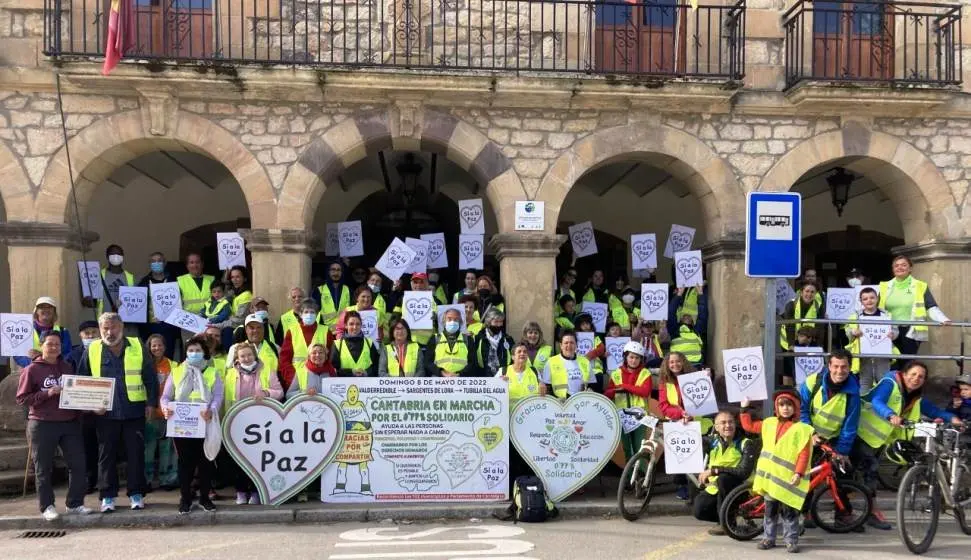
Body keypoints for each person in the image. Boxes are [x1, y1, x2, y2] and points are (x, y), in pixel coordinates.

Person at [854, 361, 962, 529]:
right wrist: (890, 415)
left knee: (865, 473)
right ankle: (867, 513)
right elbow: (877, 401)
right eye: (912, 374)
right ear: (904, 374)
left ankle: (860, 515)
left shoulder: (915, 396)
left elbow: (932, 410)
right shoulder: (890, 383)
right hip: (860, 432)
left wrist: (951, 418)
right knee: (867, 473)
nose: (916, 379)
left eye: (921, 377)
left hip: (877, 439)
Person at [77, 313, 157, 513]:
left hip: (134, 410)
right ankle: (107, 496)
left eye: (113, 328)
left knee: (136, 453)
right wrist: (91, 405)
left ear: (121, 327)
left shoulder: (137, 345)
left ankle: (136, 494)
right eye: (105, 328)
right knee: (106, 455)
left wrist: (151, 404)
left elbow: (150, 377)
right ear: (100, 328)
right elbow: (82, 379)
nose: (109, 332)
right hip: (105, 413)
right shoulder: (93, 349)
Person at [16, 331, 92, 521]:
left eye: (57, 344)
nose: (54, 348)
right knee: (43, 467)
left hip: (69, 423)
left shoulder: (67, 367)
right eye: (50, 344)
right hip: (42, 423)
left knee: (78, 464)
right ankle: (47, 506)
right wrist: (47, 393)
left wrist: (92, 408)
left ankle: (74, 503)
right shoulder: (31, 370)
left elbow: (75, 396)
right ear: (42, 346)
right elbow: (22, 398)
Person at [740, 390, 813, 553]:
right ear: (776, 407)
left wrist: (798, 473)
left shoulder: (802, 429)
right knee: (770, 512)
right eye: (781, 405)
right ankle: (768, 538)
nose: (785, 408)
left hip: (788, 480)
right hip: (771, 479)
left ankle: (791, 540)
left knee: (789, 513)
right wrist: (744, 410)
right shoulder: (769, 423)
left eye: (789, 405)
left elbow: (804, 454)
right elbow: (749, 426)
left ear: (796, 408)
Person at [159, 335, 222, 514]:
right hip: (182, 425)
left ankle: (204, 498)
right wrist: (165, 409)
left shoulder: (212, 372)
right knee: (185, 464)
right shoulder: (177, 371)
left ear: (205, 353)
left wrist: (212, 409)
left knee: (206, 463)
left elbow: (218, 395)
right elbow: (166, 396)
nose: (194, 353)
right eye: (191, 350)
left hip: (205, 423)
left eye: (198, 351)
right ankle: (185, 498)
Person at [222, 342, 284, 504]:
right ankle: (241, 491)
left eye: (249, 355)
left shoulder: (266, 371)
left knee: (259, 459)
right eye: (242, 356)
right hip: (237, 421)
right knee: (239, 459)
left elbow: (279, 392)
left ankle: (256, 492)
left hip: (262, 423)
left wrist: (266, 392)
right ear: (237, 358)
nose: (246, 358)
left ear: (254, 355)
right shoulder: (229, 374)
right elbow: (225, 398)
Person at [692, 411, 759, 536]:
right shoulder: (712, 442)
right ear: (716, 427)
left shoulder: (746, 443)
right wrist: (684, 423)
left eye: (730, 422)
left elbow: (743, 472)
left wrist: (714, 470)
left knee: (724, 479)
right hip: (717, 488)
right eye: (723, 423)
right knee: (698, 510)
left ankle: (727, 523)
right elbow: (690, 439)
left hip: (742, 489)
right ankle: (730, 519)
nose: (727, 425)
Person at [658, 351, 711, 500]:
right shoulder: (664, 382)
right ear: (667, 365)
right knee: (679, 455)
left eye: (678, 361)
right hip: (676, 423)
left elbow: (703, 400)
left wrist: (707, 379)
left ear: (684, 362)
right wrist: (680, 414)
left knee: (695, 456)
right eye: (671, 362)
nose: (675, 364)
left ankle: (695, 485)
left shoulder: (694, 377)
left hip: (695, 422)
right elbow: (664, 406)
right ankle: (681, 486)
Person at [879, 255, 950, 357]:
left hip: (911, 329)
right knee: (892, 362)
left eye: (904, 265)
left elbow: (930, 306)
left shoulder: (920, 285)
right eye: (896, 266)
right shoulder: (884, 286)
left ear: (910, 268)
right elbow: (874, 307)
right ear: (893, 269)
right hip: (888, 329)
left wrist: (943, 319)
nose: (899, 267)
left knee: (908, 361)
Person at [798, 350, 860, 462]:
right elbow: (801, 410)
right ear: (829, 366)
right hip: (807, 435)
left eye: (844, 367)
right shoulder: (812, 382)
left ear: (850, 367)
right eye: (836, 366)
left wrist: (841, 452)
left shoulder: (853, 394)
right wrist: (810, 433)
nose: (839, 371)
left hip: (831, 442)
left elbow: (849, 426)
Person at [603, 341, 652, 460]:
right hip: (622, 415)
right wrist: (615, 390)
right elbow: (607, 394)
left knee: (639, 447)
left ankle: (641, 475)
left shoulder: (646, 373)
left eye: (637, 358)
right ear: (625, 357)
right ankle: (630, 477)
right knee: (627, 449)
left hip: (640, 416)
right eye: (631, 357)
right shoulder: (616, 373)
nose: (634, 360)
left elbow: (645, 391)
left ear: (641, 359)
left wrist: (624, 386)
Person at [67, 320, 101, 492]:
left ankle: (105, 480)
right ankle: (89, 479)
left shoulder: (107, 350)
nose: (90, 336)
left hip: (104, 408)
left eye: (94, 332)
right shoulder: (73, 354)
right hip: (83, 410)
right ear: (80, 335)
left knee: (105, 445)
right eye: (86, 333)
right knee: (86, 445)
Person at [845, 287, 898, 392]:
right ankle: (864, 404)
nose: (869, 301)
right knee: (865, 380)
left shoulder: (886, 315)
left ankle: (882, 402)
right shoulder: (855, 316)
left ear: (877, 299)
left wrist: (893, 334)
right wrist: (853, 332)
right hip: (863, 354)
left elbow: (895, 330)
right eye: (865, 299)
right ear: (861, 302)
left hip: (883, 353)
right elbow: (848, 330)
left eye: (872, 298)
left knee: (883, 379)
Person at [144, 335, 179, 492]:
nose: (156, 348)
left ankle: (168, 479)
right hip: (149, 414)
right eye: (153, 346)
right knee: (147, 449)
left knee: (168, 449)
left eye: (159, 345)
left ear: (165, 347)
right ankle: (147, 480)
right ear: (149, 347)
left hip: (168, 414)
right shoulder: (143, 365)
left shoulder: (174, 365)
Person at [280, 299, 333, 389]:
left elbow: (330, 359)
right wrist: (292, 379)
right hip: (295, 383)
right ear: (300, 314)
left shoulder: (325, 331)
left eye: (312, 312)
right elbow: (284, 359)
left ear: (317, 315)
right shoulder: (292, 331)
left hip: (319, 380)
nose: (309, 314)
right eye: (306, 312)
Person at [137, 252, 180, 358]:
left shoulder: (174, 281)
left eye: (159, 261)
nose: (156, 263)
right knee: (150, 359)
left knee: (168, 358)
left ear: (164, 263)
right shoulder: (143, 283)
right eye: (153, 261)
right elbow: (138, 306)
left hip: (169, 328)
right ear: (149, 264)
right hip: (150, 328)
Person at [14, 297, 72, 369]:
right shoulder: (24, 329)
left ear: (54, 311)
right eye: (42, 307)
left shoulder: (63, 331)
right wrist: (35, 363)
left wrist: (43, 358)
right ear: (36, 311)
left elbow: (67, 355)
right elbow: (18, 355)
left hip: (55, 371)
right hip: (31, 370)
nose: (46, 309)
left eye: (50, 307)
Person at [227, 315, 280, 386]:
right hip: (245, 395)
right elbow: (229, 374)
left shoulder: (275, 348)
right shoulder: (235, 348)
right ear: (246, 330)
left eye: (259, 327)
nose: (255, 331)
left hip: (270, 394)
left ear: (263, 329)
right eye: (251, 328)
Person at [540, 330, 597, 398]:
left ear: (576, 345)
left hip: (581, 401)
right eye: (566, 343)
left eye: (572, 343)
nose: (569, 345)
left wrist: (590, 390)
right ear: (561, 345)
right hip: (560, 402)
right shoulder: (551, 362)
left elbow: (592, 384)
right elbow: (547, 387)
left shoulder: (585, 362)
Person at [85, 244, 136, 318]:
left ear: (123, 257)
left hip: (126, 325)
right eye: (113, 254)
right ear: (107, 256)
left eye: (119, 254)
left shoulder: (131, 278)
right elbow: (91, 303)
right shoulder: (98, 276)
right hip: (105, 323)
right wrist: (88, 301)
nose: (116, 256)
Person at [667, 286, 709, 367]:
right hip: (679, 366)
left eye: (689, 317)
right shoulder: (674, 331)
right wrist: (679, 294)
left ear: (693, 323)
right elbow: (671, 313)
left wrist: (700, 294)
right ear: (679, 320)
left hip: (696, 365)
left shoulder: (696, 331)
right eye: (684, 316)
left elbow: (703, 314)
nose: (687, 316)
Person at [213, 265, 252, 349]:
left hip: (237, 331)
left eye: (238, 277)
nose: (234, 280)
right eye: (232, 277)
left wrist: (219, 325)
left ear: (245, 278)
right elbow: (224, 295)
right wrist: (226, 280)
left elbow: (239, 320)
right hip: (230, 327)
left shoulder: (246, 295)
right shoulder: (235, 292)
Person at [392, 273, 438, 346]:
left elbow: (442, 320)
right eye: (415, 282)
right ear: (411, 284)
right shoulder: (403, 298)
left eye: (421, 282)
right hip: (407, 340)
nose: (418, 285)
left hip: (428, 342)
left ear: (427, 284)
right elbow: (394, 317)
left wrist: (435, 317)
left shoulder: (435, 300)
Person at [425, 308, 473, 377]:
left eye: (456, 319)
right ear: (444, 321)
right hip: (439, 381)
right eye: (449, 319)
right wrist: (442, 373)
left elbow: (472, 363)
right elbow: (428, 362)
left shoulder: (468, 339)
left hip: (461, 382)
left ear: (460, 322)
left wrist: (459, 374)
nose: (452, 322)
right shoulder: (434, 339)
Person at [780, 280, 825, 353]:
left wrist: (819, 345)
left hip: (808, 342)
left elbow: (820, 328)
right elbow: (790, 326)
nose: (809, 294)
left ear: (815, 293)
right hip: (790, 341)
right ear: (801, 292)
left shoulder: (818, 306)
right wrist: (791, 345)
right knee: (790, 363)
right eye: (807, 291)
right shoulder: (791, 305)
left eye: (812, 292)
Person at [331, 311, 379, 377]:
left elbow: (377, 366)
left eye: (358, 324)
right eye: (351, 324)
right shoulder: (337, 344)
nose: (355, 327)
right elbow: (333, 370)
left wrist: (366, 372)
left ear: (361, 325)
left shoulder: (369, 343)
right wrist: (351, 372)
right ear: (345, 326)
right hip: (345, 385)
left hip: (367, 385)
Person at [472, 308, 515, 376]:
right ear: (488, 322)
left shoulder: (508, 339)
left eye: (501, 322)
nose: (499, 325)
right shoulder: (478, 338)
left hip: (503, 377)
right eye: (496, 322)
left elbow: (513, 359)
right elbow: (473, 360)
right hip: (484, 378)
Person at [316, 260, 351, 333]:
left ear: (342, 273)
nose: (336, 273)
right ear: (328, 272)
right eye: (333, 270)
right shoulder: (319, 290)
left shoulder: (348, 290)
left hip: (344, 331)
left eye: (338, 270)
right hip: (325, 331)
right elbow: (315, 312)